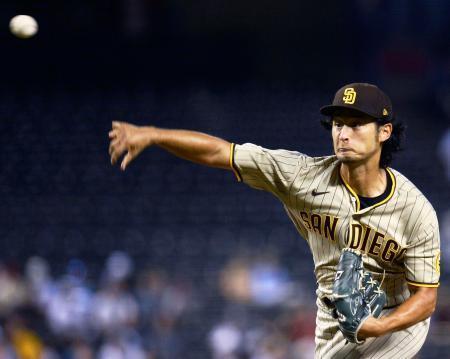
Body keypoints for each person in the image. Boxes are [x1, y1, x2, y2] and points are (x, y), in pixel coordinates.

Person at [108, 83, 440, 358]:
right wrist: (153, 134)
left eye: (355, 125)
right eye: (338, 124)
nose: (343, 134)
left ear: (384, 132)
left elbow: (425, 297)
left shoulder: (414, 210)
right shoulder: (302, 177)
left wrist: (381, 326)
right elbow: (221, 153)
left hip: (395, 320)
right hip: (334, 322)